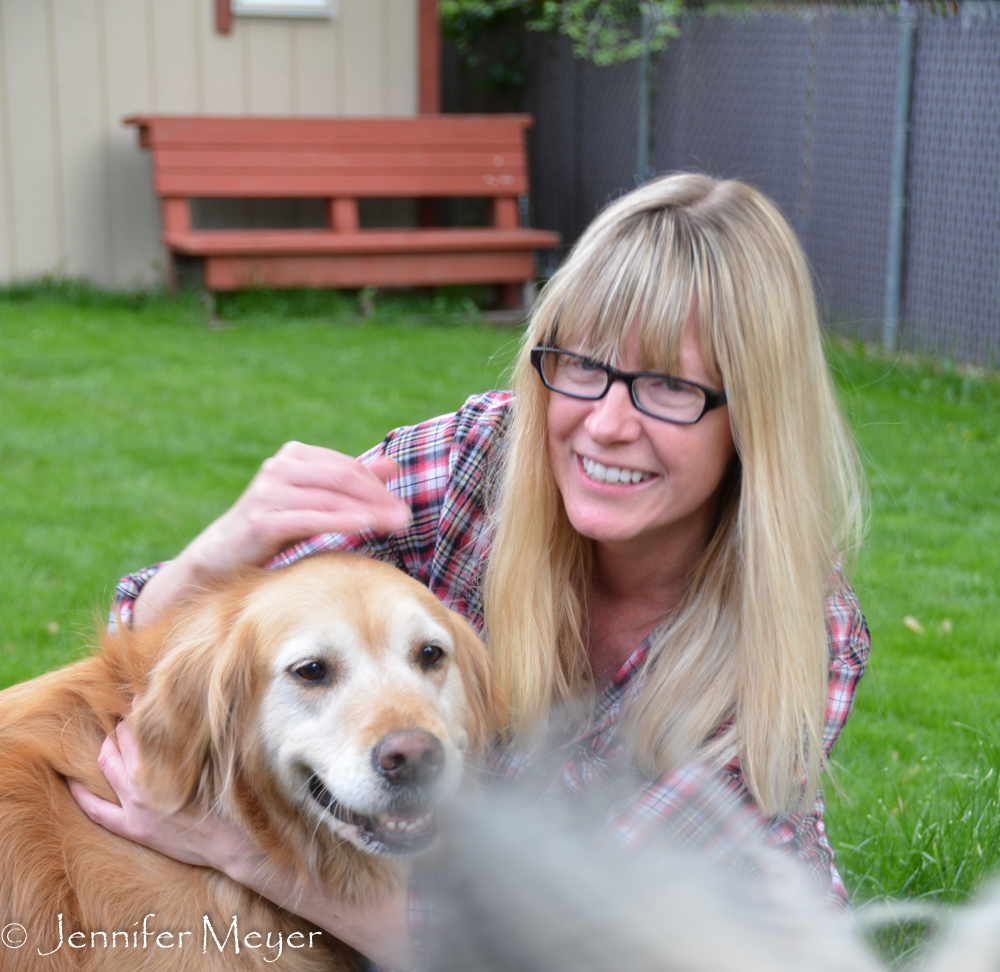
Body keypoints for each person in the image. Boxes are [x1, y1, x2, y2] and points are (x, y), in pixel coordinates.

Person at [71, 173, 870, 970]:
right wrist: (224, 546)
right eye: (583, 366)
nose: (608, 425)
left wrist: (243, 856)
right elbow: (152, 657)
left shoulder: (798, 635)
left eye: (668, 386)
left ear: (753, 418)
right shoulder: (473, 462)